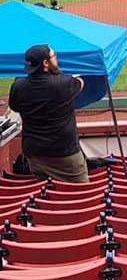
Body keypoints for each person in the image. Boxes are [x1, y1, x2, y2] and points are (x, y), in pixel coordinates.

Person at [8, 44, 88, 183]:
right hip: (66, 155)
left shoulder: (18, 86)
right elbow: (80, 83)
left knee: (47, 194)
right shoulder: (64, 83)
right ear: (45, 63)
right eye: (54, 56)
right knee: (80, 195)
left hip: (35, 155)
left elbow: (14, 106)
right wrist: (57, 71)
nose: (56, 58)